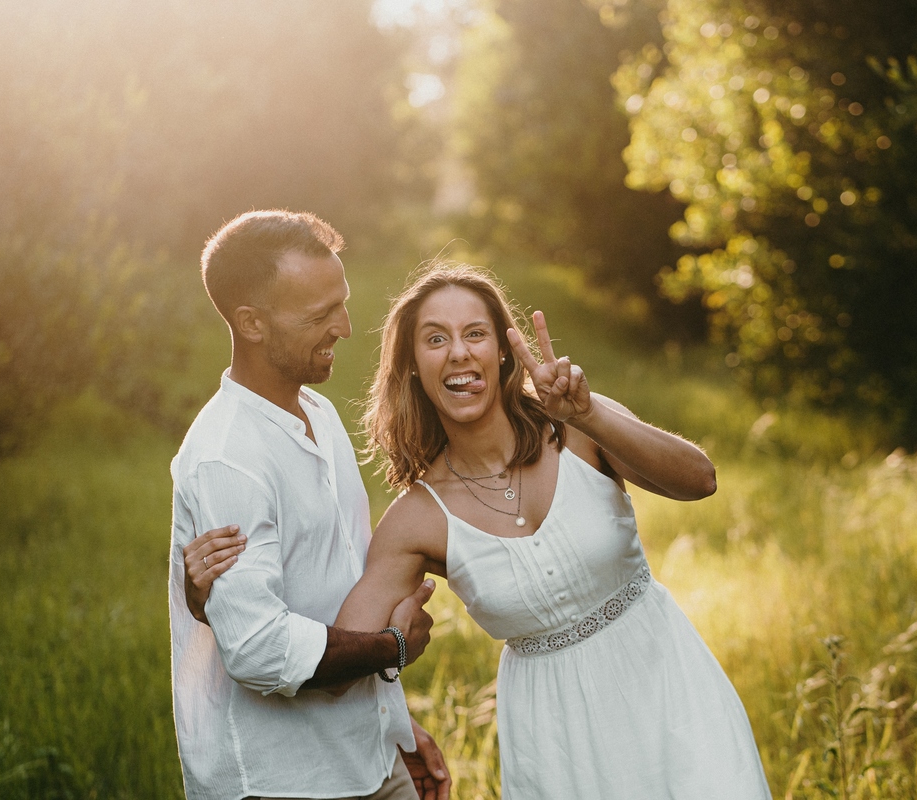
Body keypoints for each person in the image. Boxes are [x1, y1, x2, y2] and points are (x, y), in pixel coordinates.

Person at [191, 262, 772, 798]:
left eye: (475, 334)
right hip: (556, 736)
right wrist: (211, 599)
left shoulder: (576, 428)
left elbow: (699, 480)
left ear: (501, 350)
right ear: (414, 367)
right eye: (436, 339)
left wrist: (587, 414)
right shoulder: (416, 519)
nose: (459, 354)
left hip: (669, 685)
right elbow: (335, 663)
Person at [169, 210, 451, 800]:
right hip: (283, 780)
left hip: (366, 758)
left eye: (342, 303)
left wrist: (395, 731)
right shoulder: (228, 458)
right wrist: (393, 649)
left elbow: (350, 584)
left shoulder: (318, 417)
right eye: (321, 315)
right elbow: (257, 648)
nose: (346, 327)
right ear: (251, 323)